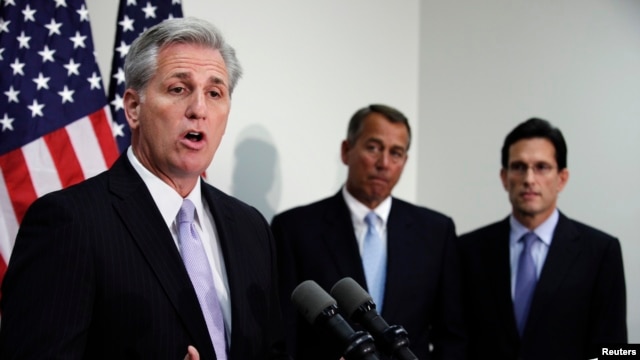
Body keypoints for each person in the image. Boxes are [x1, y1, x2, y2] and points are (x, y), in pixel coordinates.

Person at [0, 17, 289, 360]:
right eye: (179, 89)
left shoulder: (251, 227)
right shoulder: (70, 221)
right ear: (134, 108)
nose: (199, 110)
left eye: (215, 93)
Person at [271, 104, 466, 360]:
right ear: (346, 150)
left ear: (405, 162)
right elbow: (283, 333)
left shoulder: (436, 232)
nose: (383, 163)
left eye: (396, 153)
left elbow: (452, 337)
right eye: (373, 148)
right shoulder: (294, 228)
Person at [458, 117, 627, 359]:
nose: (529, 179)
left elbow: (614, 349)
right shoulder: (468, 250)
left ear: (562, 178)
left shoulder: (601, 252)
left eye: (542, 167)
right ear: (504, 177)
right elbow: (455, 339)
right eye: (518, 167)